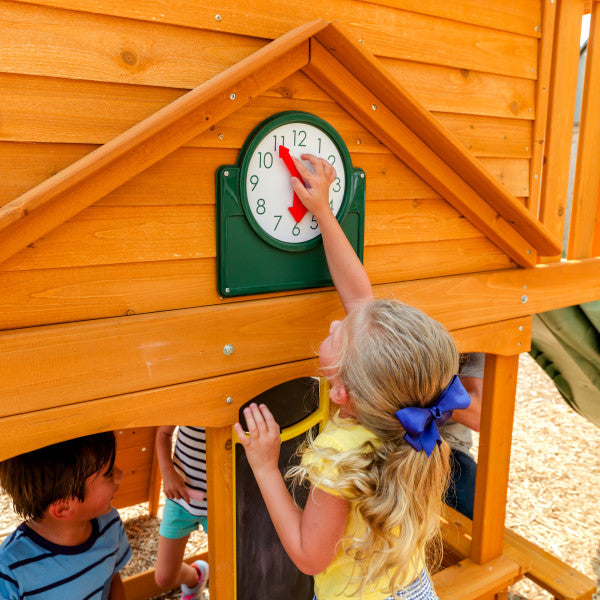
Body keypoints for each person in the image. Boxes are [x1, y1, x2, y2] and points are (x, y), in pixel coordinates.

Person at [234, 154, 471, 600]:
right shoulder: (401, 416)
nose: (335, 323)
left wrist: (265, 467)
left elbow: (310, 556)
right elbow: (359, 298)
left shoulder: (340, 457)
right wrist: (323, 212)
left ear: (340, 391)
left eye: (338, 333)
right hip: (413, 589)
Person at [0, 432, 131, 600]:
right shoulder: (9, 569)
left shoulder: (110, 523)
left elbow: (112, 580)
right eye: (108, 474)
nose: (120, 475)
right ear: (63, 509)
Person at [154, 426, 209, 600]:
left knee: (230, 570)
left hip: (221, 503)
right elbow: (163, 433)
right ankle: (196, 577)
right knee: (164, 577)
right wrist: (167, 472)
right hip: (180, 500)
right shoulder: (186, 399)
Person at [441, 353, 484, 519]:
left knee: (473, 500)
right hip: (388, 434)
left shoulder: (477, 340)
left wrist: (418, 382)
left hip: (449, 446)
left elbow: (477, 415)